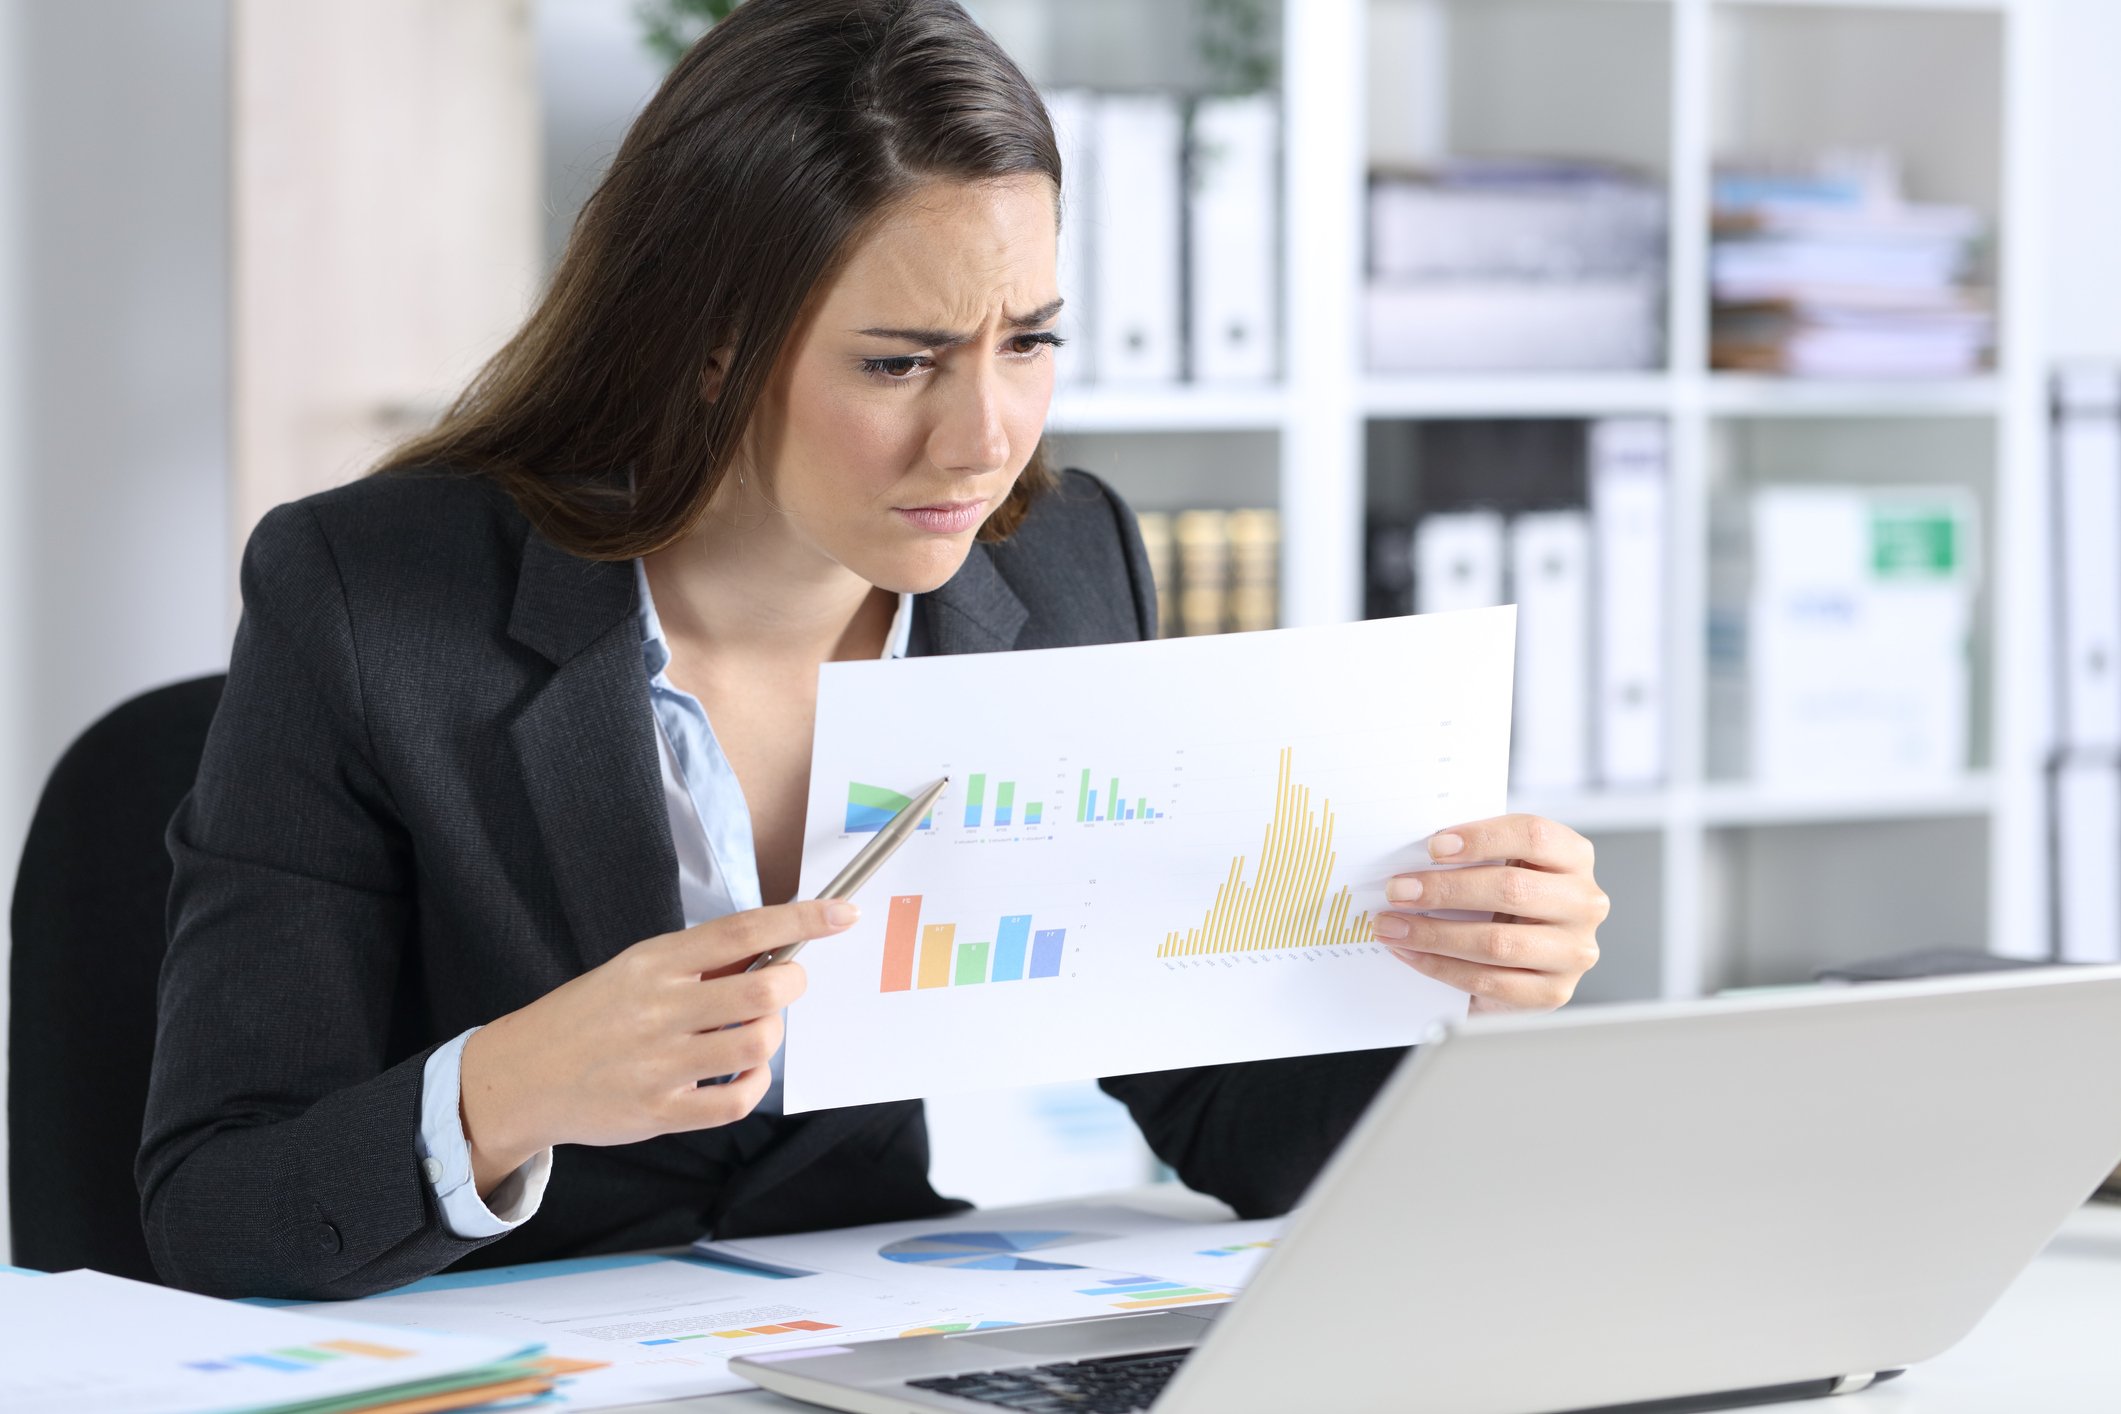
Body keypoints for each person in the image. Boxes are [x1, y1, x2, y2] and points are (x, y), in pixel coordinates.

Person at [139, 0, 1608, 1301]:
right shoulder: (372, 598)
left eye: (1028, 343)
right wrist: (511, 1088)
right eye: (900, 363)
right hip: (503, 1347)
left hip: (866, 1339)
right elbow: (215, 1204)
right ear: (707, 346)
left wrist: (1452, 988)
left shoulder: (1060, 566)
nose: (983, 441)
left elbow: (1230, 1126)